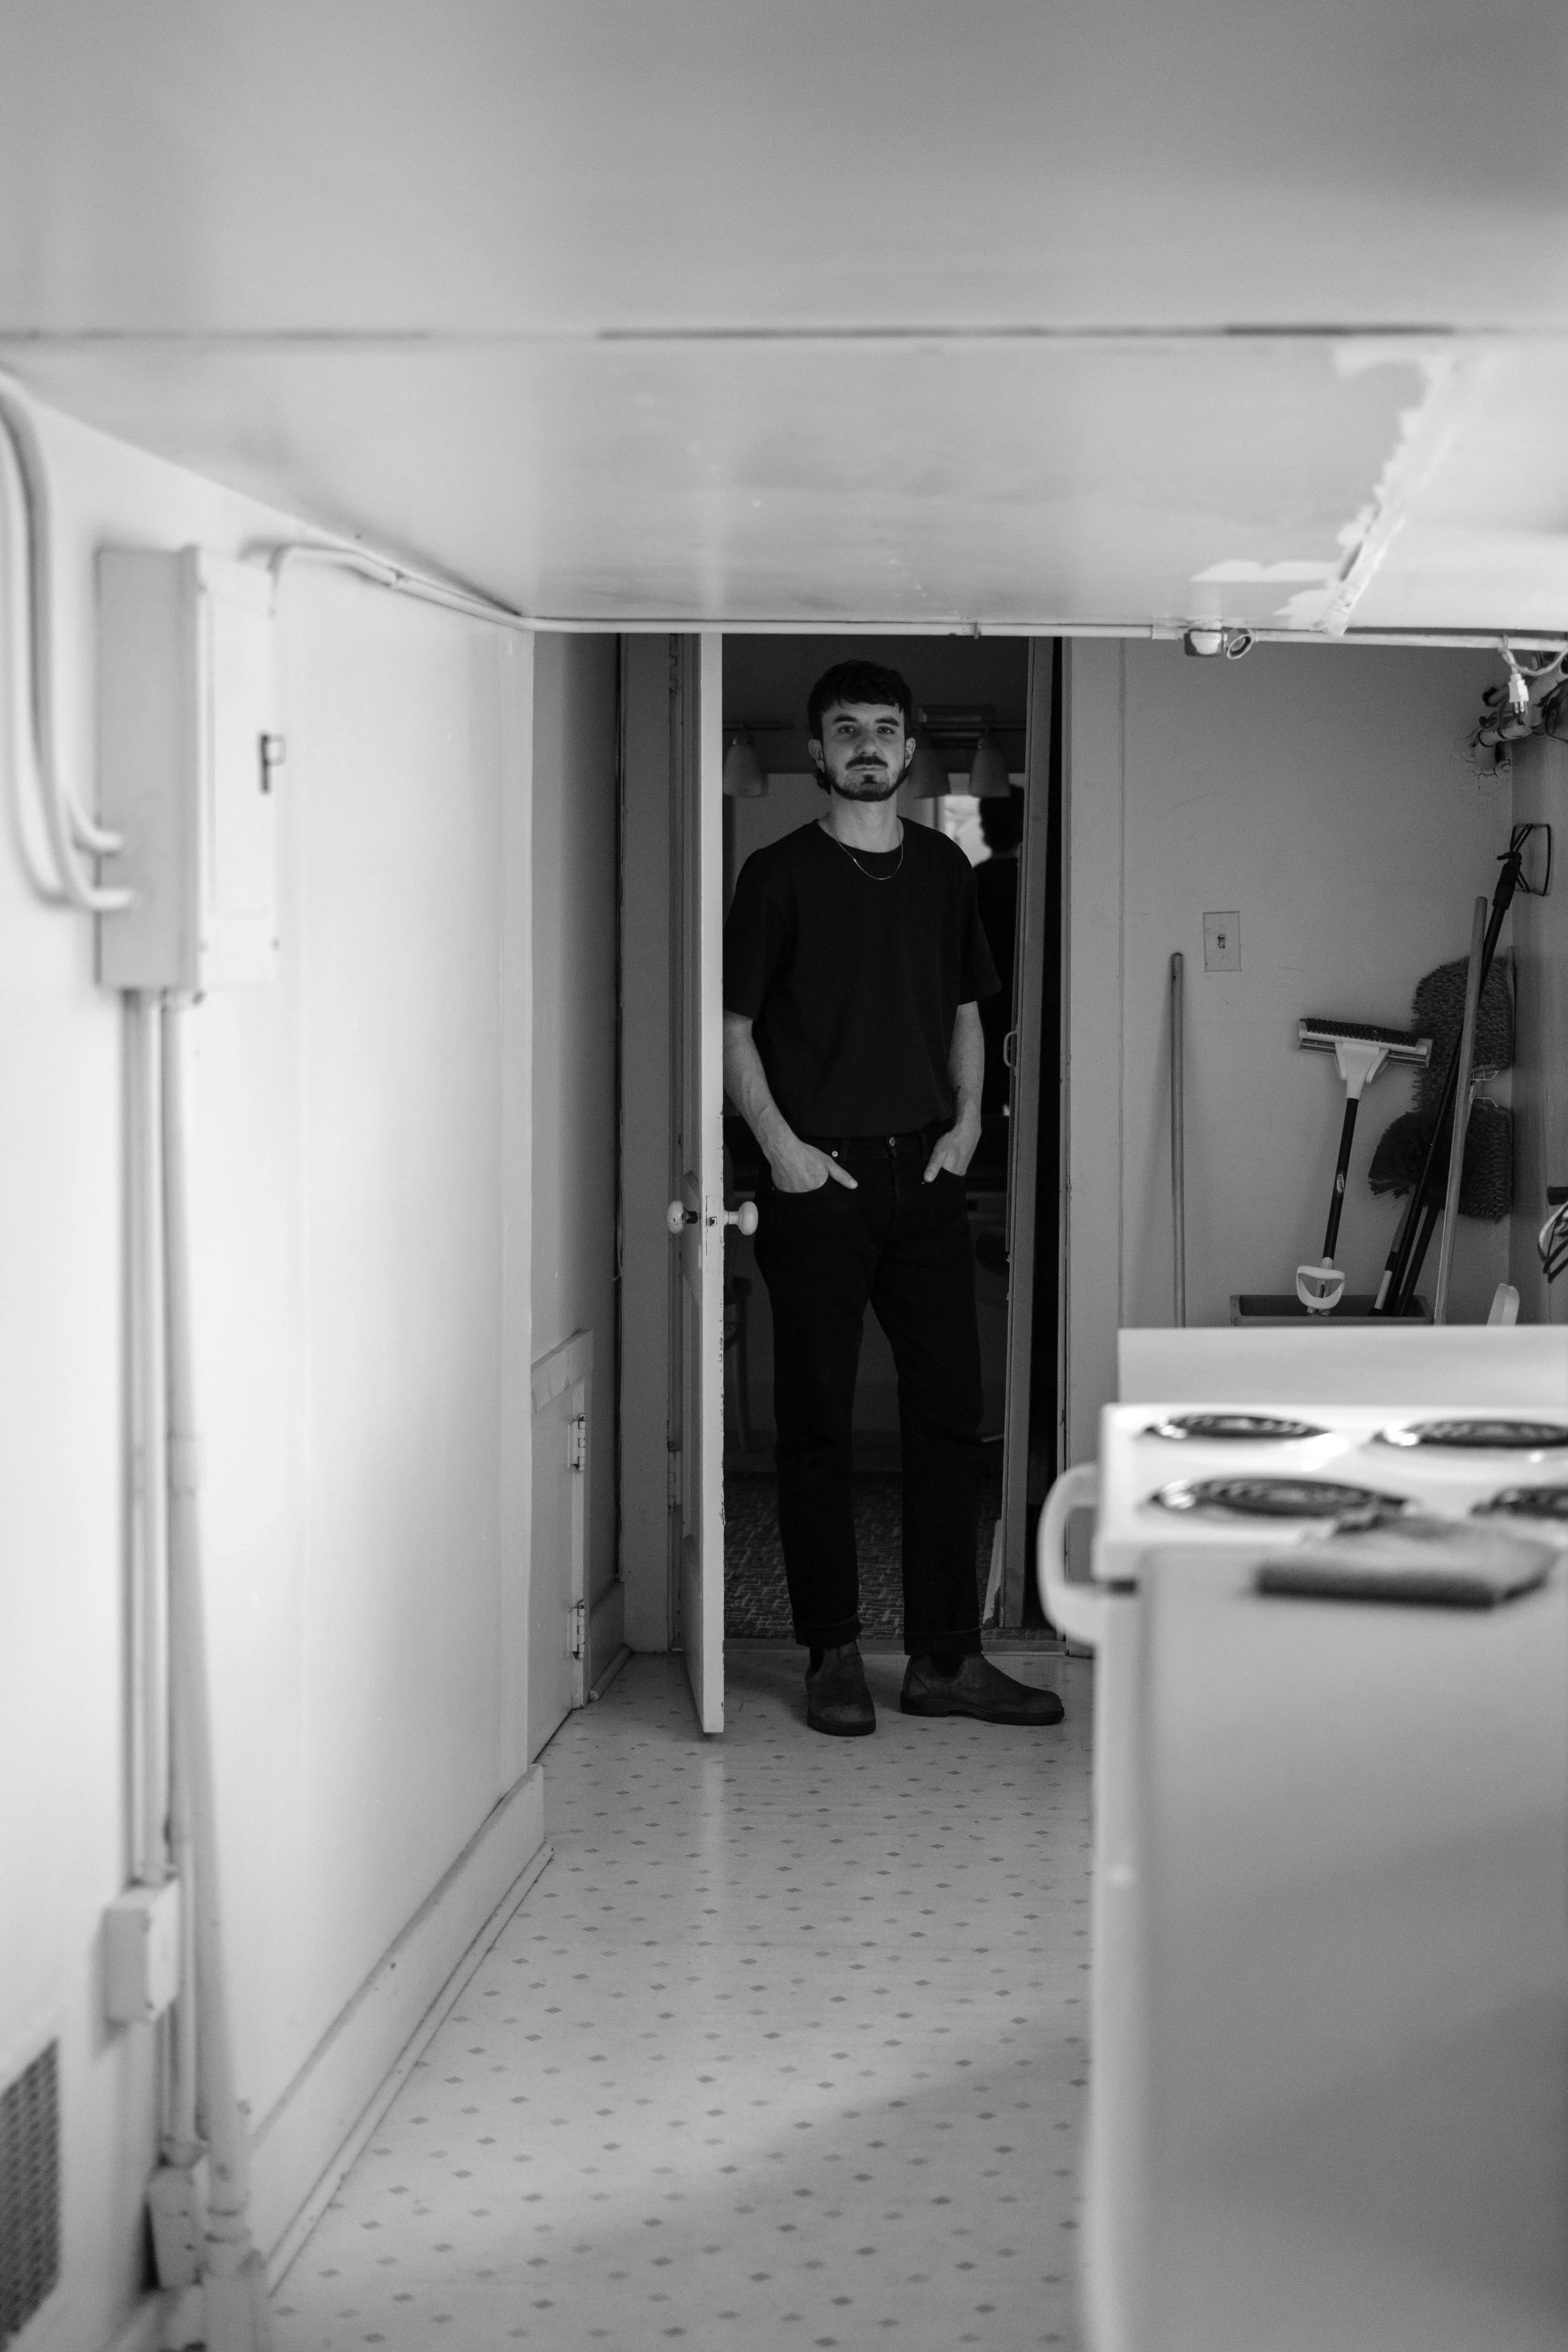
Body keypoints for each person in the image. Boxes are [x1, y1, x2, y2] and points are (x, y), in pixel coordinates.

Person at [722, 659, 1064, 1737]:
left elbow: (970, 1008)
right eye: (845, 729)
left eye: (885, 728)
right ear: (817, 752)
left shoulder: (946, 872)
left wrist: (968, 1126)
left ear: (911, 749)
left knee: (949, 1420)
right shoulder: (773, 876)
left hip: (925, 1173)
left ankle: (943, 1660)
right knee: (816, 1425)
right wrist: (778, 1147)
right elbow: (731, 1030)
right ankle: (830, 1652)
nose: (867, 745)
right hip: (813, 1180)